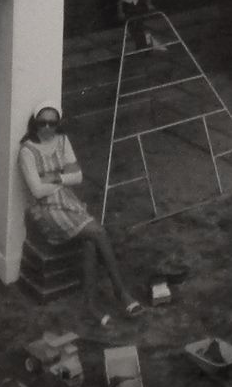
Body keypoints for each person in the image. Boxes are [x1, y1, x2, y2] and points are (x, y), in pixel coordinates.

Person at [17, 104, 143, 325]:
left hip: (68, 201)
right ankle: (121, 292)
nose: (47, 128)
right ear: (34, 123)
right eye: (42, 123)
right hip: (47, 209)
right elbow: (37, 191)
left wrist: (54, 178)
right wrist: (62, 177)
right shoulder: (27, 151)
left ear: (58, 124)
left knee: (90, 241)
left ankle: (90, 305)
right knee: (98, 232)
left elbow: (78, 177)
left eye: (52, 123)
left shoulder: (63, 141)